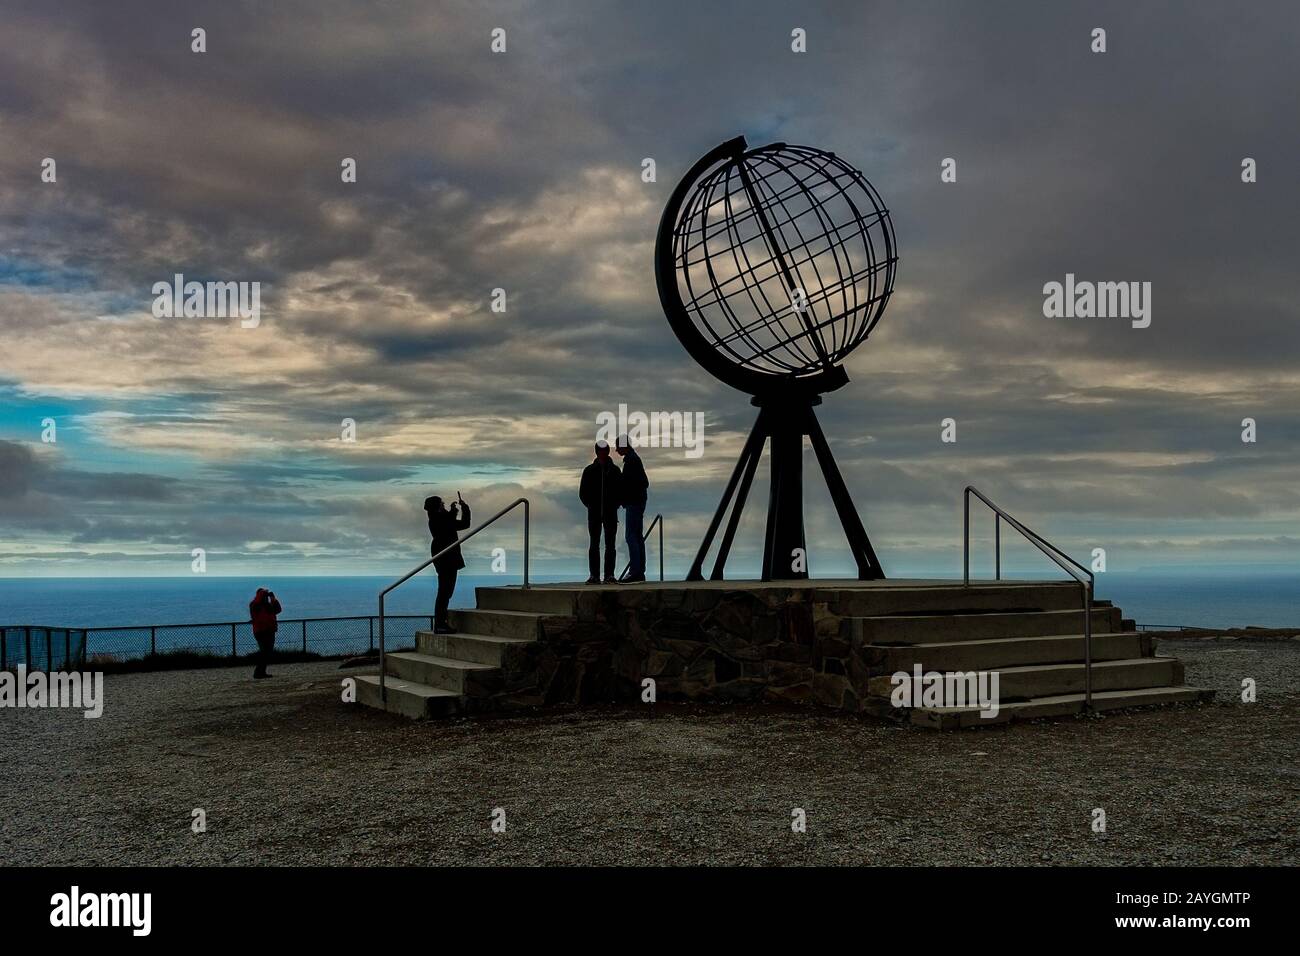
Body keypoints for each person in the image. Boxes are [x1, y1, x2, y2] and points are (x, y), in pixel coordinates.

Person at [425, 492, 471, 634]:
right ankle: (440, 624)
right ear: (437, 507)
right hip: (445, 558)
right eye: (442, 504)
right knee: (444, 591)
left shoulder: (441, 518)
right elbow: (449, 522)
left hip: (448, 557)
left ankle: (441, 623)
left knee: (446, 591)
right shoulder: (437, 519)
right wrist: (455, 510)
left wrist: (464, 509)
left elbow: (464, 524)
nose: (444, 506)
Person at [579, 440, 622, 584]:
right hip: (594, 514)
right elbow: (583, 493)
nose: (603, 454)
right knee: (594, 544)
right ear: (597, 453)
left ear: (608, 452)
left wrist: (615, 505)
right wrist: (591, 506)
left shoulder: (615, 471)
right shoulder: (589, 471)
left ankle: (609, 575)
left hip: (610, 514)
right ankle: (594, 576)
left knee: (610, 545)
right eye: (600, 451)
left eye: (605, 451)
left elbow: (619, 492)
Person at [615, 434, 649, 582]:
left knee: (631, 536)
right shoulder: (633, 459)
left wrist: (625, 497)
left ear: (623, 446)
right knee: (637, 536)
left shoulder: (632, 461)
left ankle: (635, 571)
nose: (616, 450)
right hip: (637, 502)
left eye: (618, 447)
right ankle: (639, 570)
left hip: (634, 503)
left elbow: (641, 483)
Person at [249, 587, 282, 679]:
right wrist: (264, 597)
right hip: (261, 631)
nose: (265, 597)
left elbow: (278, 610)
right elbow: (256, 612)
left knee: (267, 652)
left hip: (270, 630)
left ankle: (262, 672)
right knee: (264, 652)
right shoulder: (255, 605)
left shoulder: (268, 605)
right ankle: (258, 672)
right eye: (264, 595)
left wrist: (273, 599)